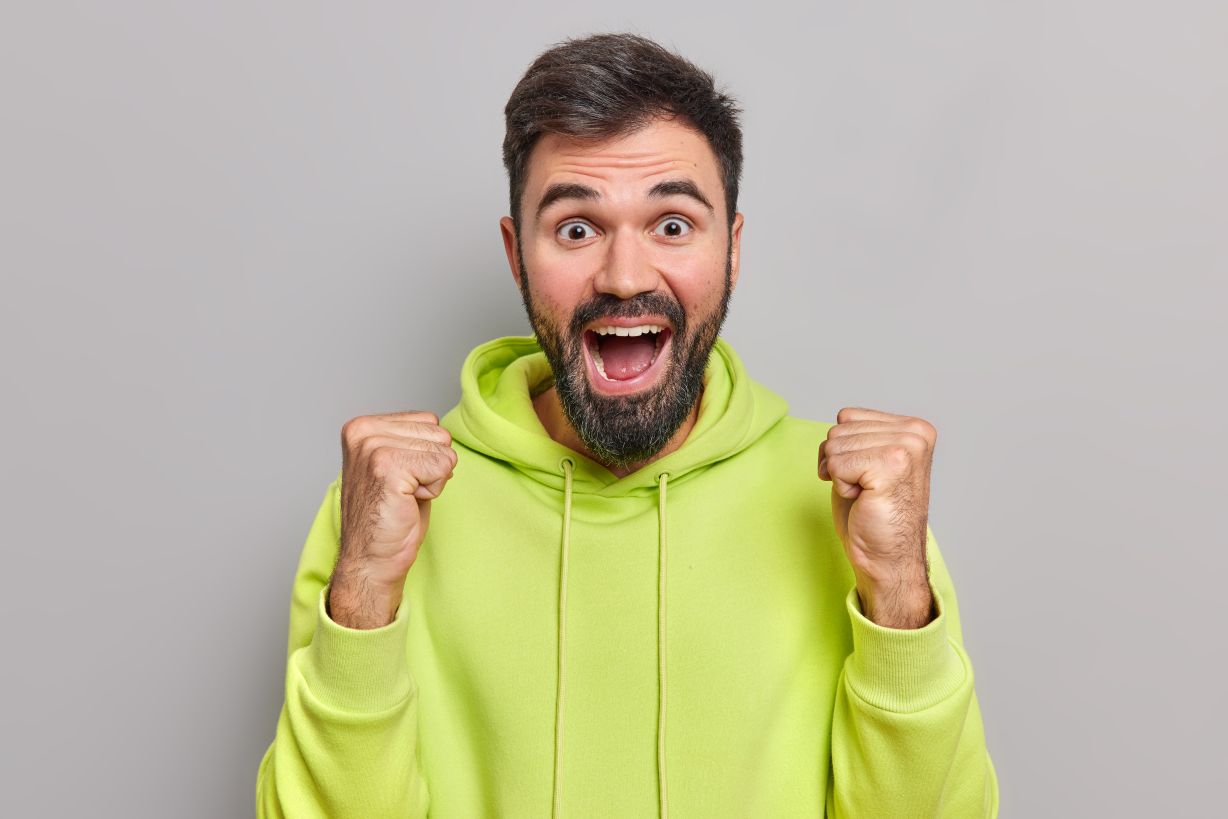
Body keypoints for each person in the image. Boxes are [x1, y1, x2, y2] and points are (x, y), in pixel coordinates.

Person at [255, 32, 999, 818]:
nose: (626, 276)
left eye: (672, 225)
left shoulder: (855, 508)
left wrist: (899, 608)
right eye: (577, 228)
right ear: (516, 256)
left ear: (733, 249)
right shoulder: (382, 510)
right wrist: (365, 596)